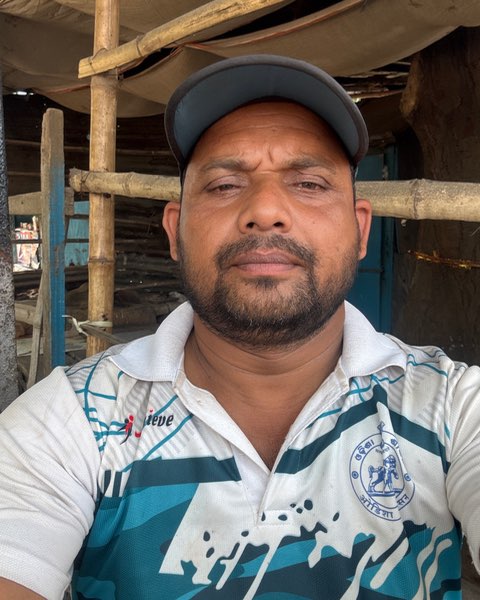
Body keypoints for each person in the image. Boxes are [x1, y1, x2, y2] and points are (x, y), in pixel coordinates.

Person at [0, 54, 479, 600]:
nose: (266, 209)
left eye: (309, 183)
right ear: (176, 232)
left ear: (360, 229)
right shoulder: (73, 421)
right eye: (225, 185)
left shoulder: (450, 409)